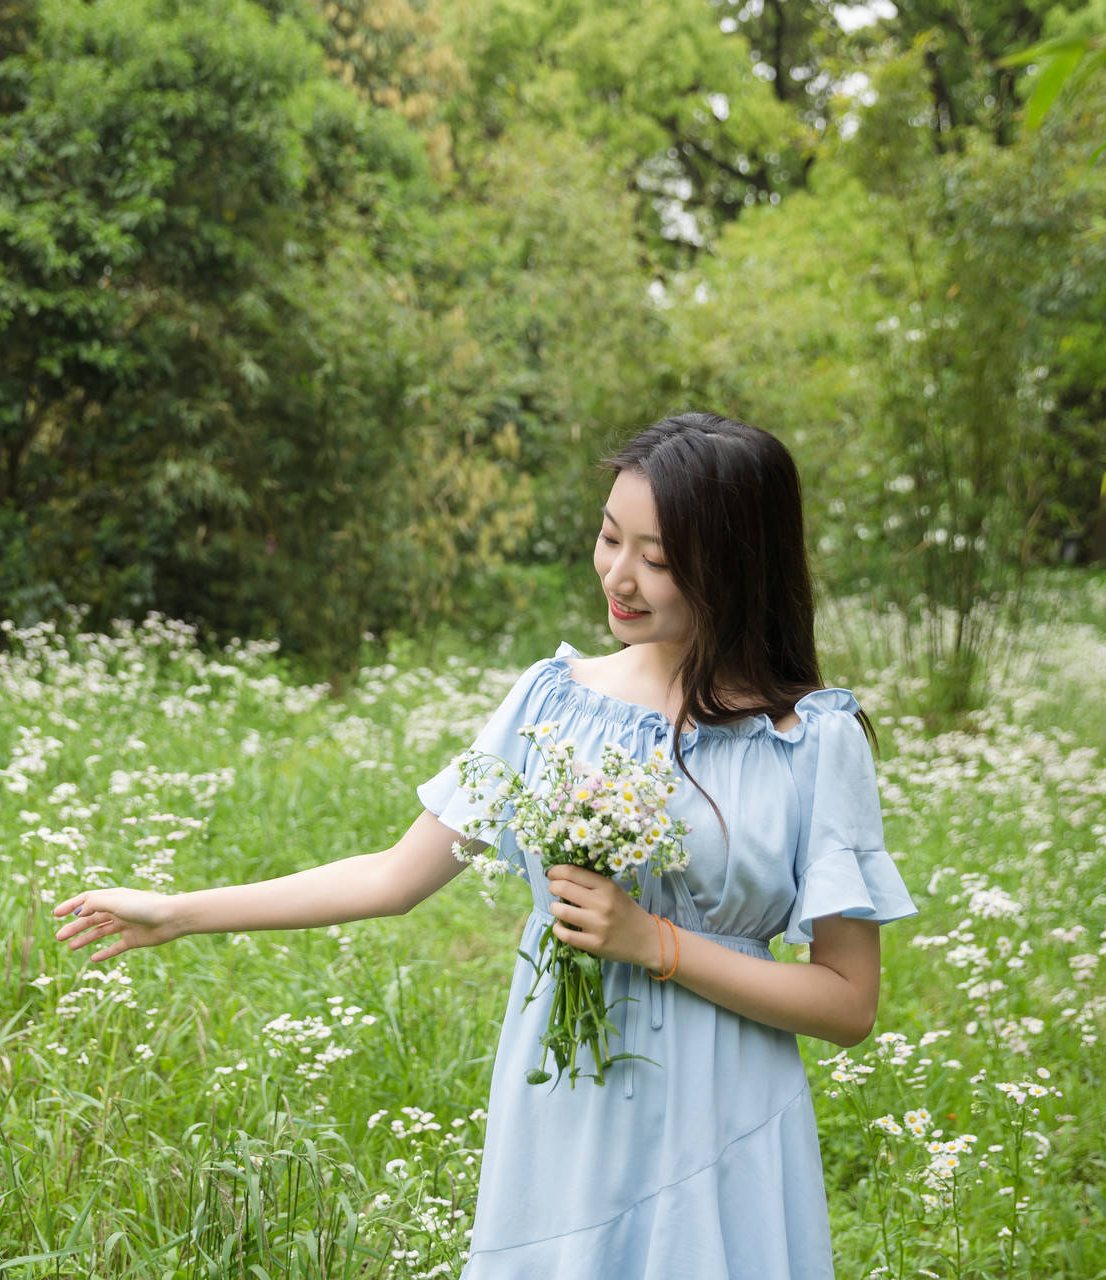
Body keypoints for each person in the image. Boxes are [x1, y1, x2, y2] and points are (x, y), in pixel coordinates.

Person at [52, 411, 918, 1278]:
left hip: (725, 1118)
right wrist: (177, 912)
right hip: (569, 1111)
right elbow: (393, 877)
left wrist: (655, 943)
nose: (619, 576)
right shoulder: (554, 703)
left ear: (737, 562)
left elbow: (848, 1004)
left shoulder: (812, 741)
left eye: (657, 559)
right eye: (609, 537)